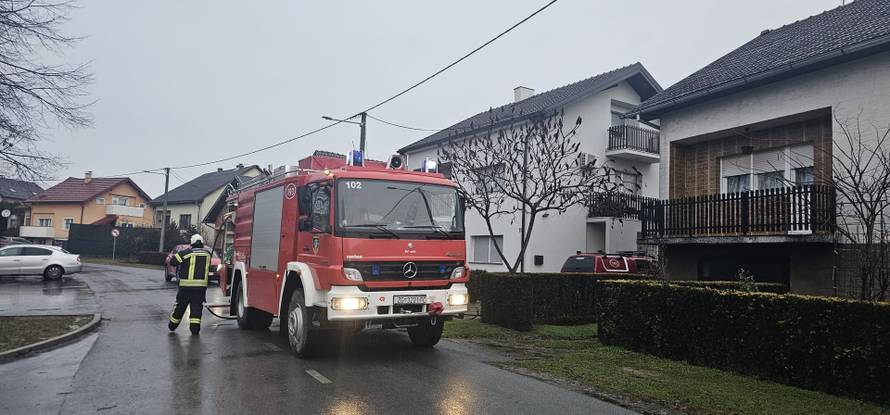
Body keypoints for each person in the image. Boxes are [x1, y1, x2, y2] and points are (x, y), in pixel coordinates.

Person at [168, 234, 212, 335]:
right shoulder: (207, 254)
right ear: (202, 244)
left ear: (191, 243)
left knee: (180, 307)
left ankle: (172, 326)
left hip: (185, 287)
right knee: (196, 308)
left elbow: (173, 262)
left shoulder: (186, 253)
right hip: (200, 288)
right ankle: (195, 330)